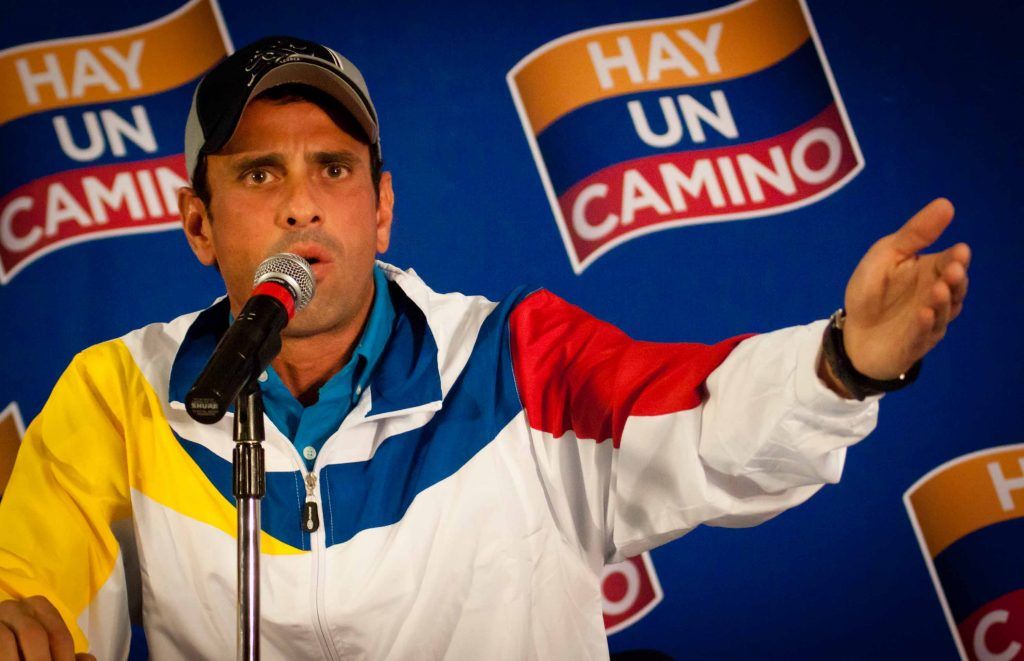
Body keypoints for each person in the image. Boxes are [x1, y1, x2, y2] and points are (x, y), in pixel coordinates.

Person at [0, 36, 970, 660]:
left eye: (333, 168)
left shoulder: (517, 359)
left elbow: (708, 419)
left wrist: (842, 363)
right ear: (199, 224)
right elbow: (31, 597)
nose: (300, 204)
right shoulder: (118, 394)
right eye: (259, 173)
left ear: (381, 208)